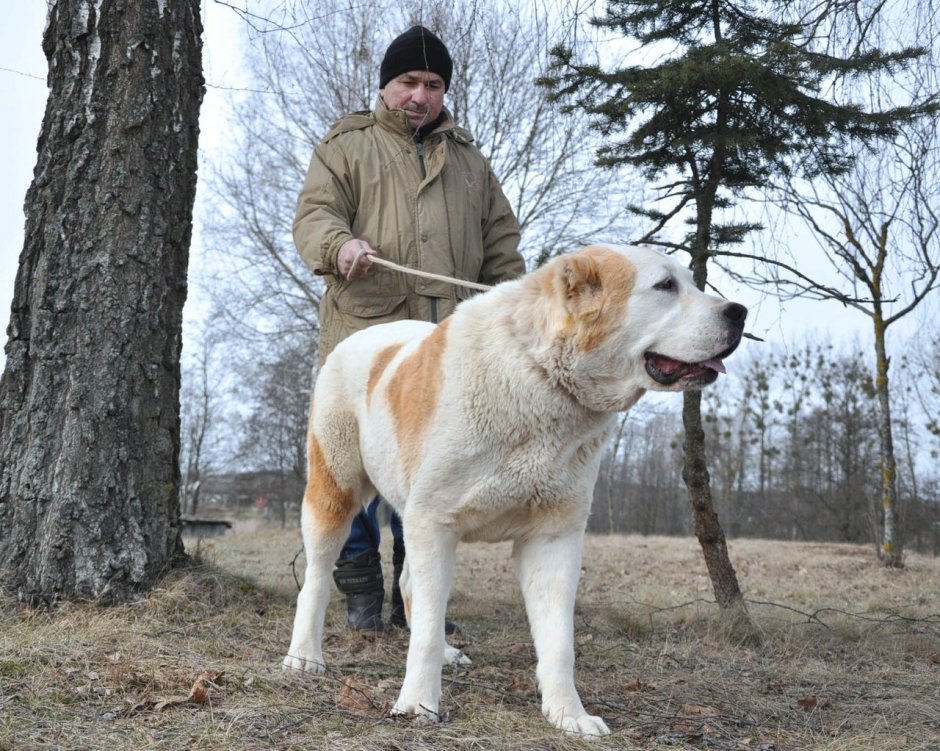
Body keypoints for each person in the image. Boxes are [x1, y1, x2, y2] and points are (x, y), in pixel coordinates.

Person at [292, 25, 526, 634]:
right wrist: (338, 247)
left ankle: (418, 606)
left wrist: (515, 308)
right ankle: (362, 592)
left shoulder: (471, 162)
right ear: (386, 85)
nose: (421, 95)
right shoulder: (347, 145)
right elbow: (314, 215)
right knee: (351, 472)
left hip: (447, 346)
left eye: (433, 84)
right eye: (408, 83)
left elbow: (502, 246)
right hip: (363, 336)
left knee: (432, 478)